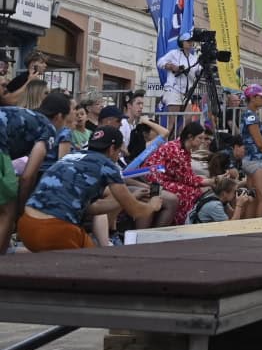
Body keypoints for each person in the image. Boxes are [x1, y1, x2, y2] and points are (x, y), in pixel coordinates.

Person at [18, 127, 161, 251]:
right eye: (119, 151)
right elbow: (136, 211)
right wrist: (153, 205)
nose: (118, 156)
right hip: (56, 229)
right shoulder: (107, 165)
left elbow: (91, 208)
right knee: (94, 264)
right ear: (112, 149)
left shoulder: (70, 156)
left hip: (26, 225)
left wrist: (132, 197)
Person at [0, 92, 73, 250]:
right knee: (7, 211)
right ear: (59, 116)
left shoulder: (26, 115)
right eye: (67, 119)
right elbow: (28, 175)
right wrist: (21, 208)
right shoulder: (48, 127)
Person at [234, 86, 262, 218]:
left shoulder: (248, 114)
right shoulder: (251, 116)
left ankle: (249, 226)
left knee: (253, 198)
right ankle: (260, 226)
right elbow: (260, 143)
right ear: (252, 98)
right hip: (257, 160)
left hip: (249, 160)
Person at [157, 37, 197, 131]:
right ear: (181, 42)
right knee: (172, 121)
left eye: (191, 41)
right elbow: (160, 62)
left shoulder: (193, 58)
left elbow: (198, 70)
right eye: (188, 41)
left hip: (186, 93)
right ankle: (167, 139)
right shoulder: (174, 53)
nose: (190, 43)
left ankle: (178, 137)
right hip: (174, 90)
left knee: (188, 117)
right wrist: (171, 66)